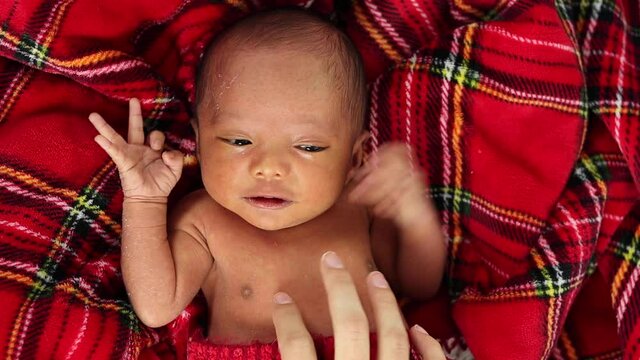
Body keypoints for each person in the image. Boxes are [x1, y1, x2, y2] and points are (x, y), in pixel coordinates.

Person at [88, 8, 446, 357]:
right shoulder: (204, 219)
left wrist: (413, 214)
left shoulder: (358, 206)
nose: (269, 168)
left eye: (308, 146)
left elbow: (418, 283)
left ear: (355, 158)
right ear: (199, 143)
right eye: (239, 141)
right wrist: (145, 201)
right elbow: (156, 305)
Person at [273, 251, 446, 359]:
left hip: (385, 350)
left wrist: (412, 215)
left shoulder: (360, 205)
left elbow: (419, 287)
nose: (270, 189)